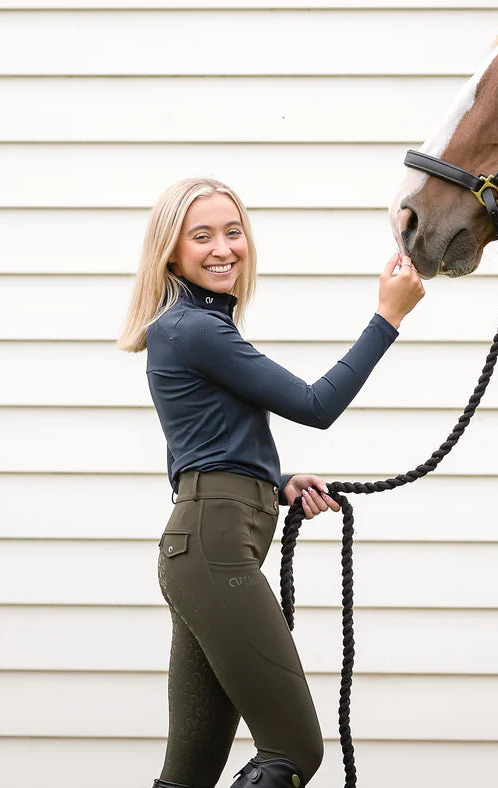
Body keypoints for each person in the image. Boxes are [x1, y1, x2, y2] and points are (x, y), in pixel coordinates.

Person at [118, 177, 424, 788]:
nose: (223, 248)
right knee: (292, 749)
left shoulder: (189, 328)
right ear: (170, 250)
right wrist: (388, 315)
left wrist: (272, 481)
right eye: (201, 235)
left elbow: (203, 446)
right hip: (214, 549)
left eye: (233, 232)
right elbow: (315, 405)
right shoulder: (196, 329)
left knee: (190, 773)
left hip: (203, 546)